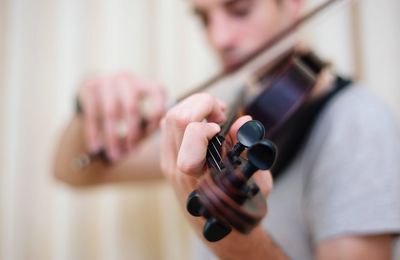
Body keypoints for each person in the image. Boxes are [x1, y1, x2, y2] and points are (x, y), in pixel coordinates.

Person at [53, 0, 400, 259]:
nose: (218, 38)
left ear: (294, 4)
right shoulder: (226, 105)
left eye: (240, 9)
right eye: (204, 19)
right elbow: (76, 171)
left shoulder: (358, 123)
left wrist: (239, 245)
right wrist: (89, 109)